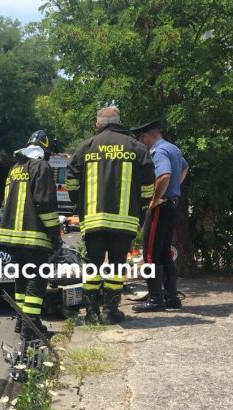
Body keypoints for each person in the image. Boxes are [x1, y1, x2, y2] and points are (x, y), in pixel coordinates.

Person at [66, 107, 156, 324]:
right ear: (119, 122)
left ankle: (90, 312)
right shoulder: (137, 148)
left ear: (98, 124)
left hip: (94, 219)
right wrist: (140, 208)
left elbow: (71, 179)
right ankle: (110, 311)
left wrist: (80, 203)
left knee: (92, 264)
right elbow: (148, 185)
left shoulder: (86, 147)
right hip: (125, 220)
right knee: (117, 265)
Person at [0, 130, 63, 340]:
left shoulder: (15, 168)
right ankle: (30, 329)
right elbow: (45, 205)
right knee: (37, 279)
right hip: (34, 237)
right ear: (46, 149)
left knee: (21, 280)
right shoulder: (41, 167)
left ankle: (22, 320)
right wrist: (55, 236)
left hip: (12, 238)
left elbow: (5, 203)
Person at [131, 121, 189, 312]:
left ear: (146, 136)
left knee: (149, 254)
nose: (142, 143)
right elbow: (184, 168)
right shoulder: (173, 149)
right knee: (164, 254)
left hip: (161, 207)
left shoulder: (158, 151)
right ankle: (172, 298)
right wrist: (175, 189)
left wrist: (155, 199)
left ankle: (156, 300)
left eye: (141, 139)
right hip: (173, 205)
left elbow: (163, 175)